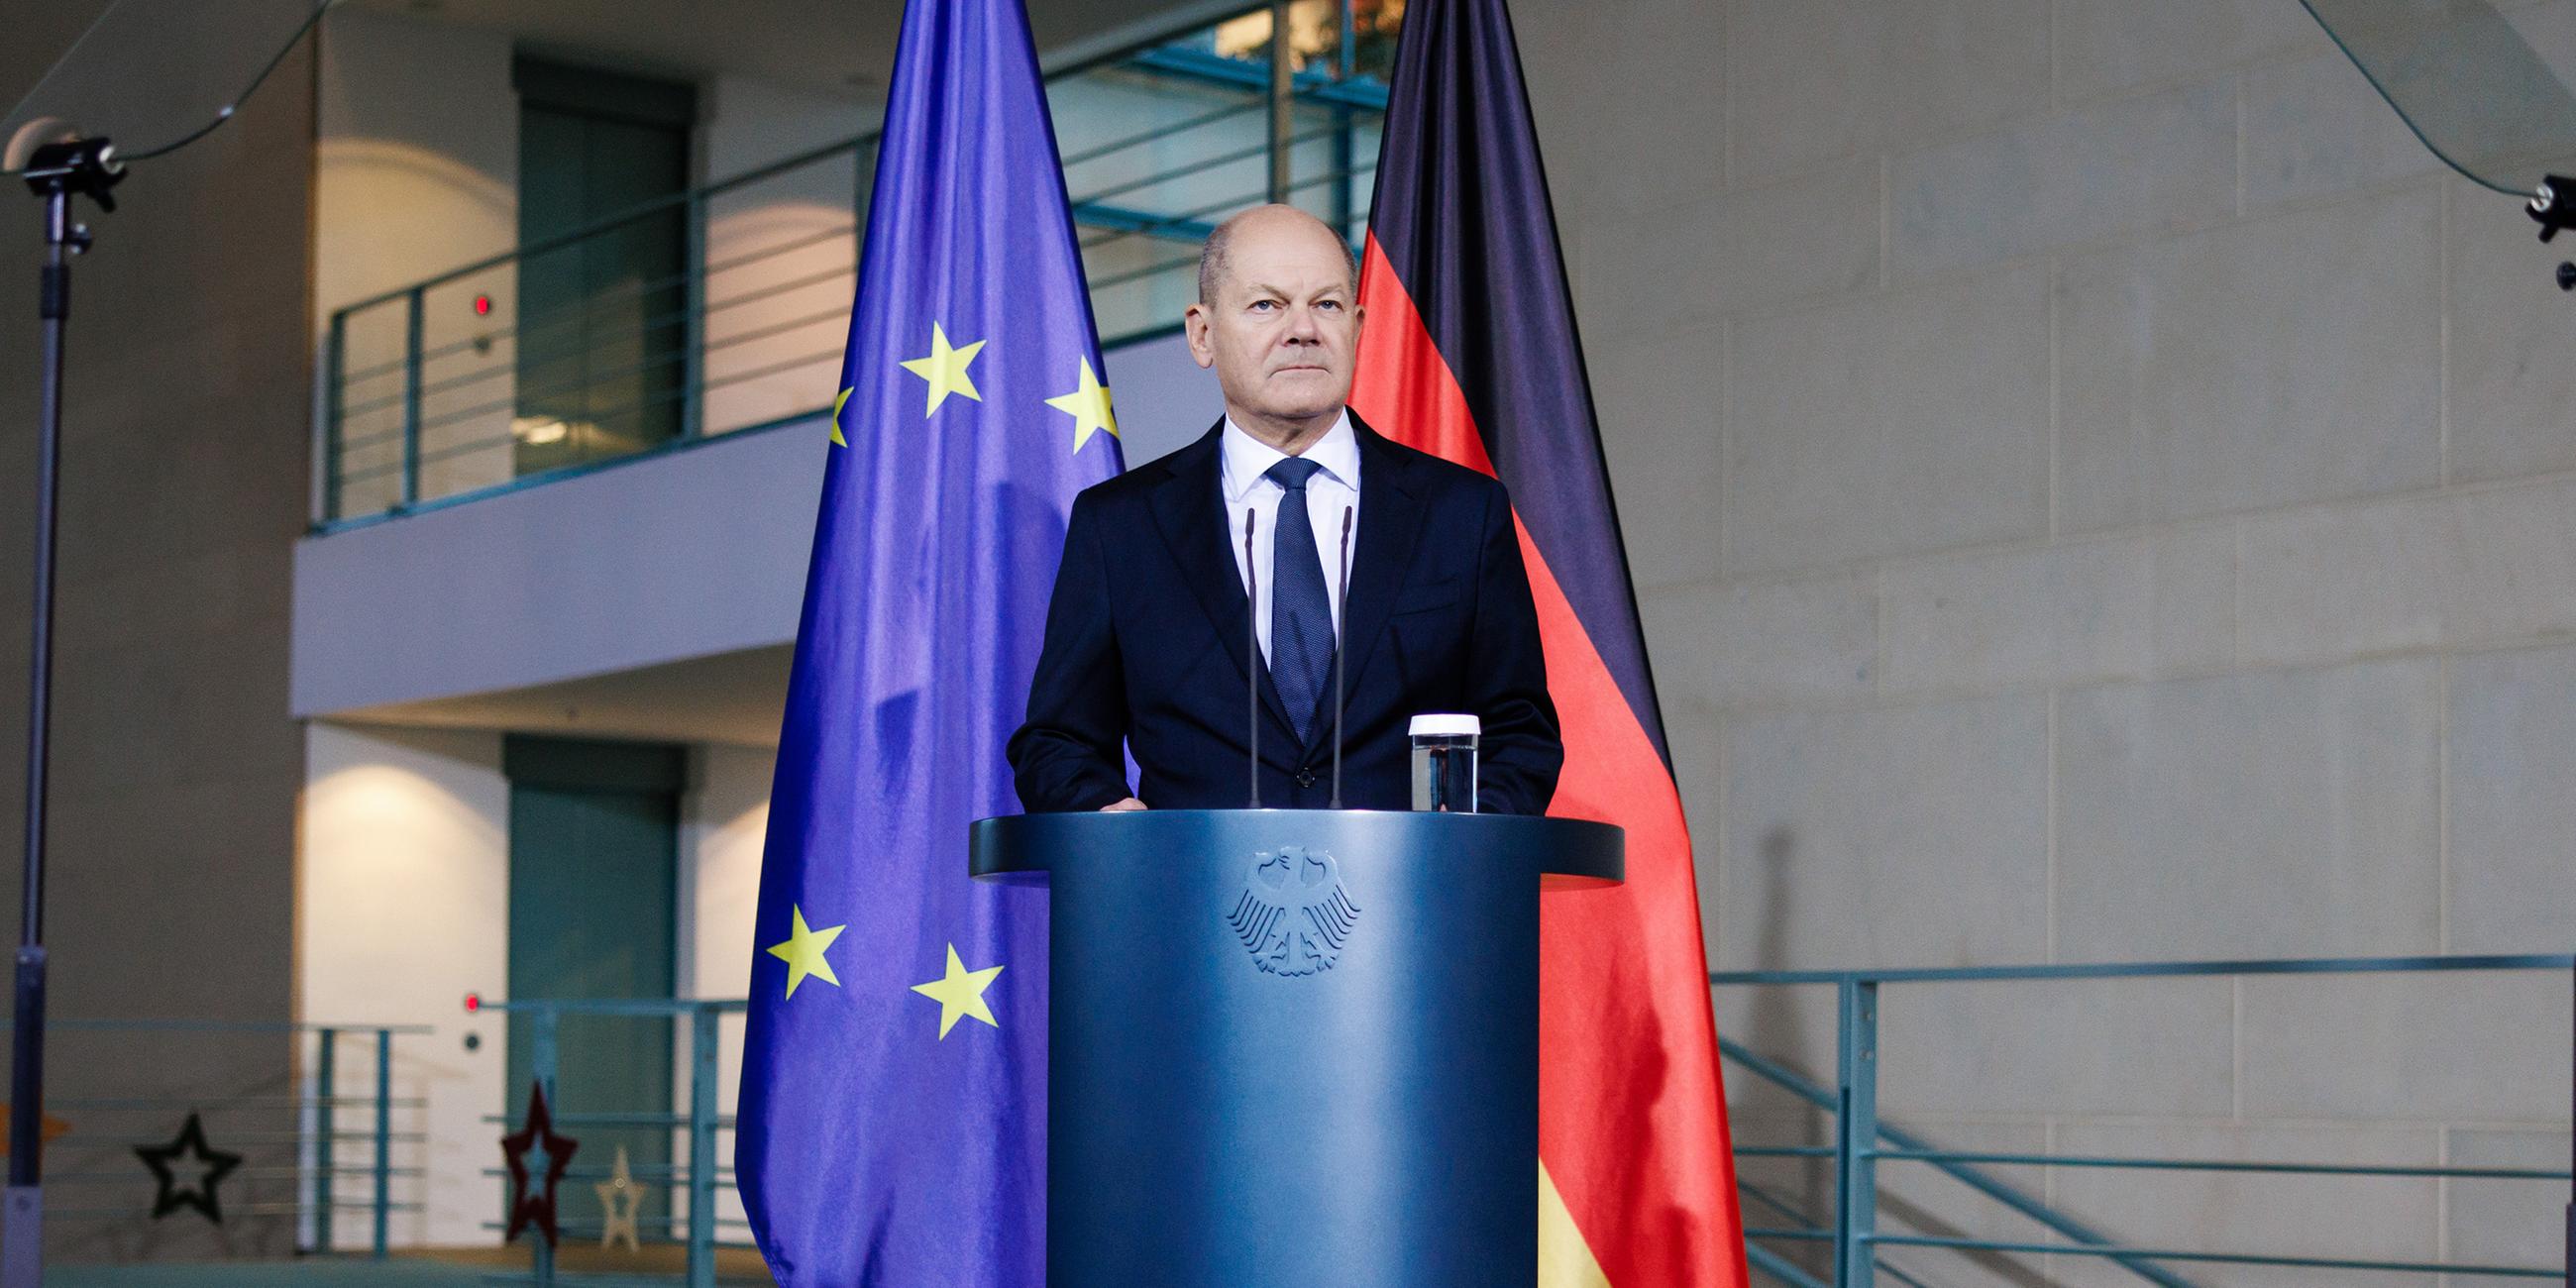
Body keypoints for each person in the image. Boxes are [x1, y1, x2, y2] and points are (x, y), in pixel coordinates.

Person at [1008, 204, 1560, 813]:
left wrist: (1465, 845)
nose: (1302, 330)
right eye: (1267, 305)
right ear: (1202, 335)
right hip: (1195, 899)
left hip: (1411, 900)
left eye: (1325, 305)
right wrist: (1114, 823)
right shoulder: (1122, 526)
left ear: (1358, 327)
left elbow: (1520, 731)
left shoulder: (1461, 512)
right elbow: (1058, 743)